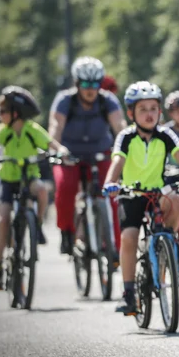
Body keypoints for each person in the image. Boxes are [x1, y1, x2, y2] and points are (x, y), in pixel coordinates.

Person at [102, 81, 179, 315]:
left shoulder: (165, 134)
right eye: (143, 109)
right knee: (129, 238)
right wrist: (111, 182)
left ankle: (169, 241)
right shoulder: (126, 137)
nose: (149, 114)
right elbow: (117, 161)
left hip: (157, 193)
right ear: (131, 113)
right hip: (131, 194)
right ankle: (129, 293)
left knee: (177, 199)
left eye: (153, 108)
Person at [0, 86, 69, 290]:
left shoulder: (32, 129)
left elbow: (51, 143)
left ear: (15, 113)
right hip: (8, 178)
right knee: (4, 218)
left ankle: (36, 225)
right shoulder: (3, 131)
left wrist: (62, 150)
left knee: (41, 190)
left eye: (3, 111)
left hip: (28, 176)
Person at [49, 56, 127, 255]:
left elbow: (120, 126)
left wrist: (127, 147)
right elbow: (56, 126)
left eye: (95, 83)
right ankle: (67, 232)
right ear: (77, 83)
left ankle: (115, 247)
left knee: (111, 194)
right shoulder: (65, 100)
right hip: (70, 154)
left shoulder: (107, 100)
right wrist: (57, 149)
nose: (90, 88)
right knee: (65, 187)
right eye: (85, 84)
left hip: (101, 153)